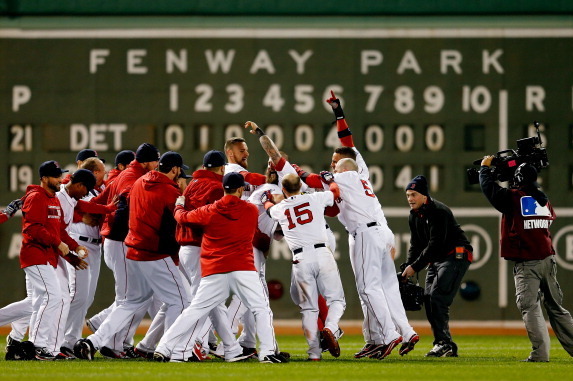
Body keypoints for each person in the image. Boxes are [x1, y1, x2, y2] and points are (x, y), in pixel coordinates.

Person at [153, 172, 288, 363]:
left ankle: (164, 347)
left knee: (195, 310)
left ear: (223, 188)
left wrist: (179, 205)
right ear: (240, 189)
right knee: (261, 309)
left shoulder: (210, 211)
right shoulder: (249, 210)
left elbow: (182, 218)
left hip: (215, 270)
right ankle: (267, 353)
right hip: (243, 269)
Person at [74, 151, 190, 361]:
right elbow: (169, 228)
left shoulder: (140, 181)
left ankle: (93, 341)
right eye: (179, 170)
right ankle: (166, 349)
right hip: (153, 252)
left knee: (131, 301)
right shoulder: (169, 192)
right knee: (181, 301)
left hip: (133, 249)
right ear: (174, 169)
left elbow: (122, 207)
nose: (180, 174)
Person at [322, 158, 418, 360]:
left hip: (366, 233)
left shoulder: (348, 175)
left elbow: (322, 179)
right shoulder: (359, 179)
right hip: (380, 231)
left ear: (346, 168)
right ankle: (399, 333)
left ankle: (389, 334)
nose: (333, 167)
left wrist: (298, 173)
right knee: (384, 289)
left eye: (336, 163)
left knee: (368, 288)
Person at [479, 156, 573, 362]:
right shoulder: (543, 199)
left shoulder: (514, 197)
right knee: (557, 308)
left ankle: (540, 354)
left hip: (528, 262)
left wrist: (484, 168)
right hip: (548, 259)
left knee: (529, 306)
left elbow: (490, 190)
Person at [86, 143, 160, 356]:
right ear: (146, 161)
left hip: (119, 242)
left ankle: (110, 333)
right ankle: (113, 344)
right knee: (130, 297)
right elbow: (128, 201)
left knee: (139, 294)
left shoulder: (126, 174)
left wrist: (94, 212)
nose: (157, 164)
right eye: (155, 160)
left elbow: (98, 201)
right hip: (120, 241)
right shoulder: (131, 177)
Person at [263, 173, 346, 361]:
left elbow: (269, 210)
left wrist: (266, 200)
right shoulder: (314, 198)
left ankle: (314, 354)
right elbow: (334, 193)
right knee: (337, 301)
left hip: (300, 258)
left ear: (283, 190)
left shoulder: (281, 207)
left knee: (309, 309)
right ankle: (331, 328)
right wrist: (330, 180)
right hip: (322, 253)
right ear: (300, 186)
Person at [18, 161, 87, 360]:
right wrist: (57, 243)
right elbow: (32, 228)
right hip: (35, 254)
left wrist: (75, 246)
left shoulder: (53, 199)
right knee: (53, 297)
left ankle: (42, 346)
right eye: (56, 176)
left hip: (47, 255)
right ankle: (38, 345)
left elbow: (59, 231)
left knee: (47, 299)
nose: (60, 180)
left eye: (60, 175)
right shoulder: (36, 197)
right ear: (44, 178)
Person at [401, 175, 472, 357]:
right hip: (438, 259)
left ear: (424, 195)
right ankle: (444, 343)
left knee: (437, 297)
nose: (410, 199)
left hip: (456, 255)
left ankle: (444, 343)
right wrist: (408, 265)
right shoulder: (414, 215)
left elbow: (435, 244)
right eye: (408, 195)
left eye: (414, 194)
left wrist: (415, 267)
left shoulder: (439, 211)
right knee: (429, 299)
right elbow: (416, 244)